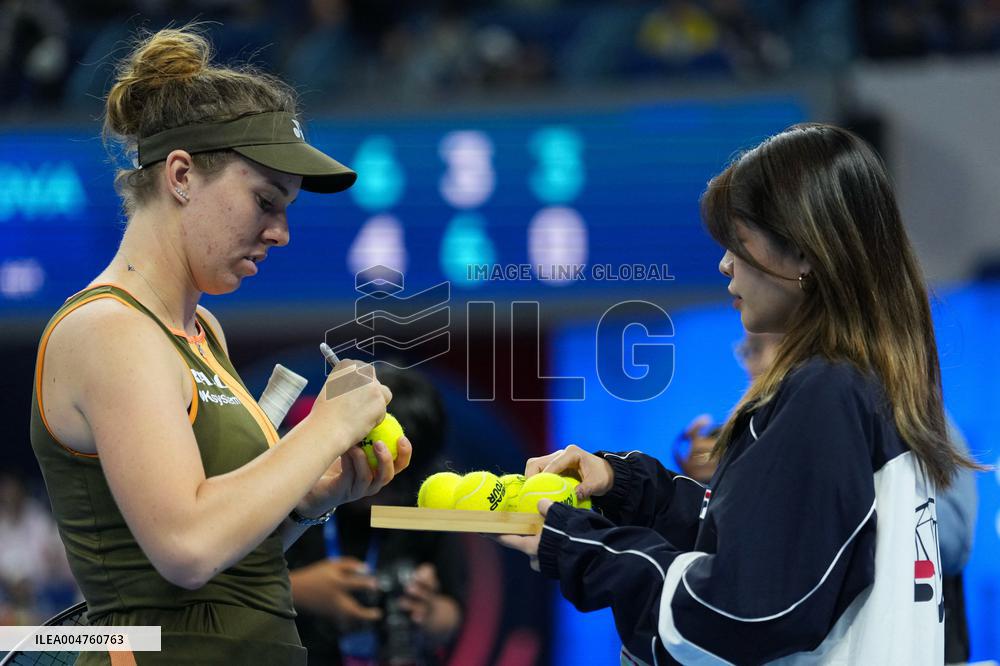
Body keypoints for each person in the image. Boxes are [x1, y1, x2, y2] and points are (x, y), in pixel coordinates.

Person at [499, 123, 980, 665]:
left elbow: (747, 613)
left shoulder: (826, 393)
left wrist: (586, 547)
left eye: (739, 241)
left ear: (805, 252)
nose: (725, 263)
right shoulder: (867, 382)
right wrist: (628, 488)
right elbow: (778, 542)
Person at [28, 26, 411, 665]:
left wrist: (308, 501)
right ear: (181, 175)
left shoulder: (204, 332)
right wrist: (326, 427)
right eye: (265, 201)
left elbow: (229, 574)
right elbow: (188, 548)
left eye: (286, 208)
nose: (281, 232)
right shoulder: (110, 330)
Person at [286, 365, 466, 666]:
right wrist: (299, 590)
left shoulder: (430, 499)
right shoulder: (303, 482)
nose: (378, 489)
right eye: (374, 473)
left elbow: (451, 611)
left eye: (396, 481)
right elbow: (225, 578)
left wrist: (427, 610)